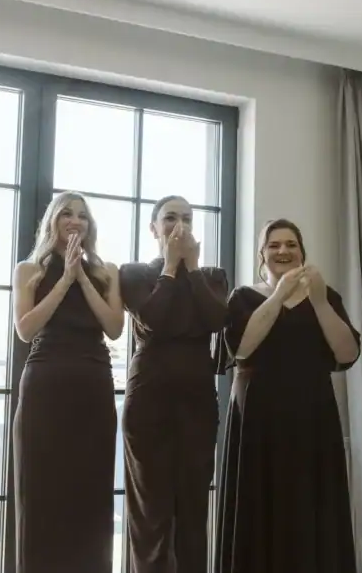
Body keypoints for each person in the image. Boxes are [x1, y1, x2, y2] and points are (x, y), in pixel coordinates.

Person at [214, 218, 360, 573]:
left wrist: (320, 302)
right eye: (274, 245)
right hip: (258, 418)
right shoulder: (243, 297)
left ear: (302, 252)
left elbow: (348, 354)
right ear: (261, 254)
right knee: (259, 505)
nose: (283, 251)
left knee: (312, 506)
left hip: (313, 416)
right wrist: (279, 295)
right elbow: (241, 349)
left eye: (291, 244)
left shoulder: (326, 296)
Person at [11, 191, 123, 573]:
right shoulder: (29, 270)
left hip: (93, 387)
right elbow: (25, 329)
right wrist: (64, 281)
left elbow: (114, 327)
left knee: (89, 492)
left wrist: (82, 277)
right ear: (52, 221)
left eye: (82, 216)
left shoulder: (107, 271)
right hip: (46, 386)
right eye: (66, 214)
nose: (75, 221)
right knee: (42, 491)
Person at [120, 194, 229, 573]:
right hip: (148, 396)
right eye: (170, 218)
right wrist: (169, 267)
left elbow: (217, 320)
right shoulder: (134, 273)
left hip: (197, 398)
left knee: (193, 506)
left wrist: (192, 269)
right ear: (154, 228)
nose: (179, 226)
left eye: (186, 218)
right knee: (151, 509)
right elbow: (152, 318)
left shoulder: (213, 276)